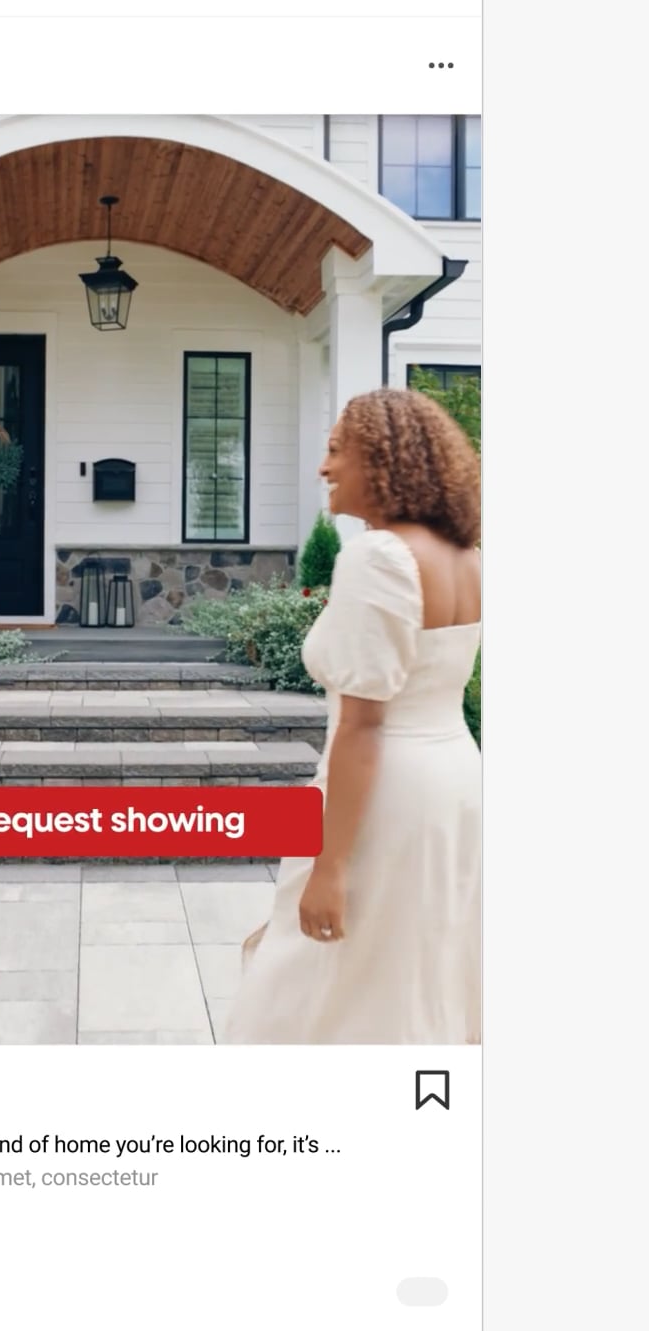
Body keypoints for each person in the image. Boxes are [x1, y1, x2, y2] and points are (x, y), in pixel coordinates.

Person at [224, 387, 481, 1045]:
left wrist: (329, 869)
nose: (324, 467)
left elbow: (365, 724)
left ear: (383, 458)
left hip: (386, 789)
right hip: (455, 780)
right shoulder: (466, 556)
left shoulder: (380, 557)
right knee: (416, 965)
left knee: (325, 979)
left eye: (337, 449)